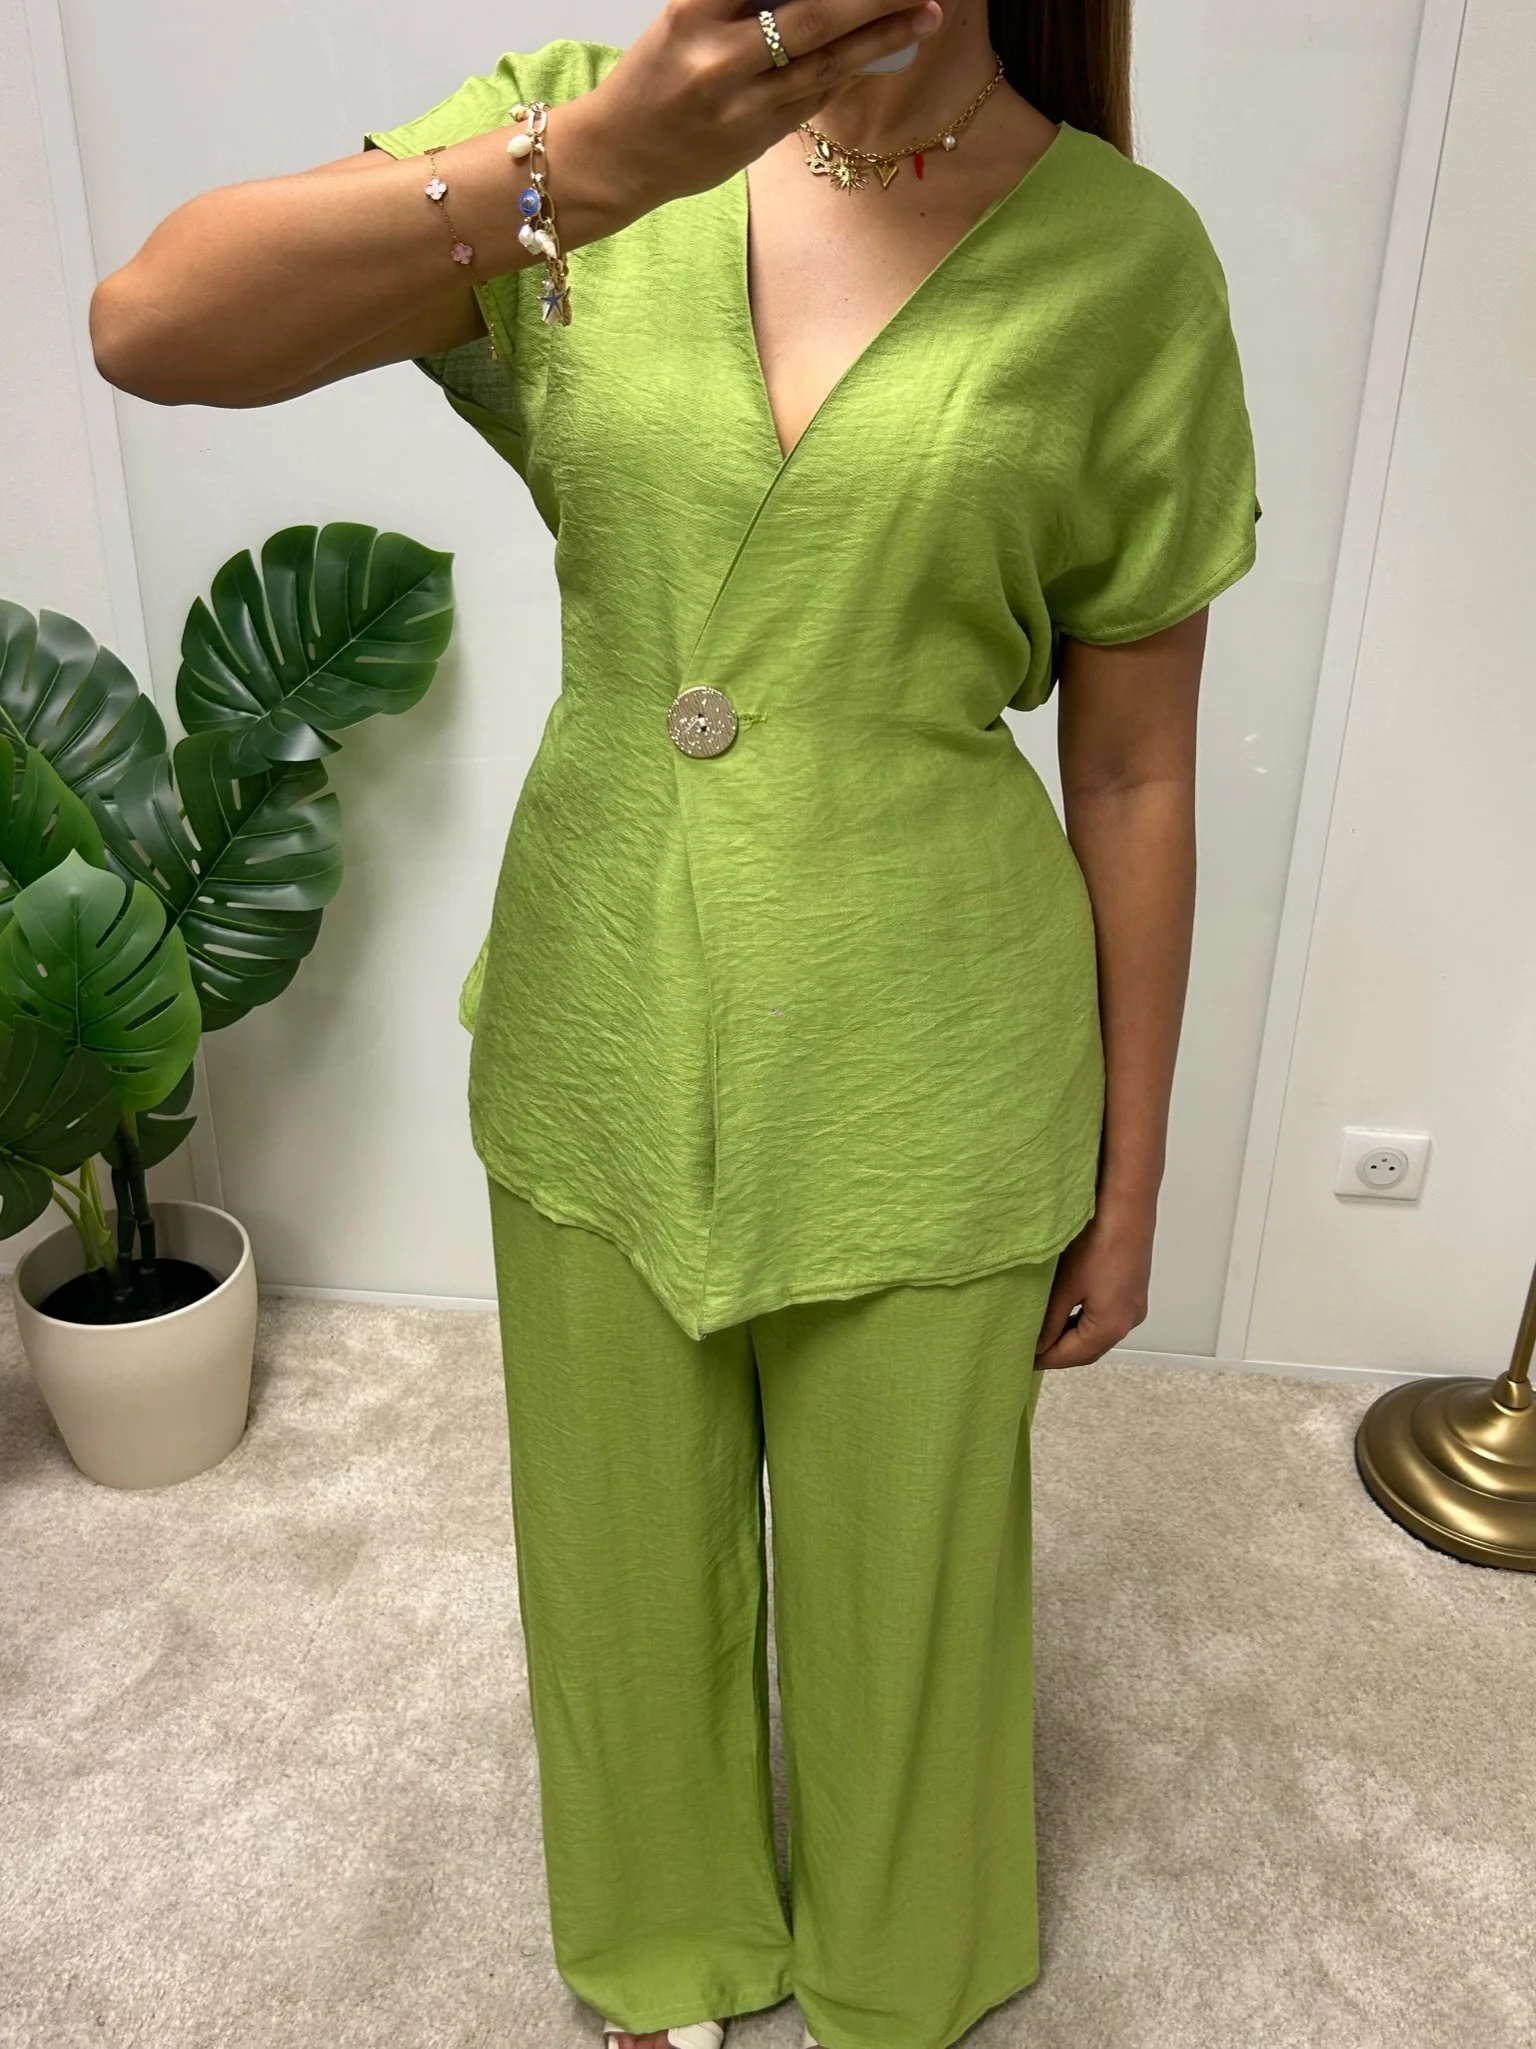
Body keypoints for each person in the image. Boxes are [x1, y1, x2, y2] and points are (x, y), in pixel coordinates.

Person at [90, 1, 1259, 2043]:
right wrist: (584, 172)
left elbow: (1138, 769)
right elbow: (154, 325)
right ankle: (662, 1943)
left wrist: (1134, 1175)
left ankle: (904, 1967)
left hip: (937, 1043)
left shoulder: (1123, 259)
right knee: (618, 1558)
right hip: (605, 1011)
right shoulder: (572, 136)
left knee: (914, 1579)